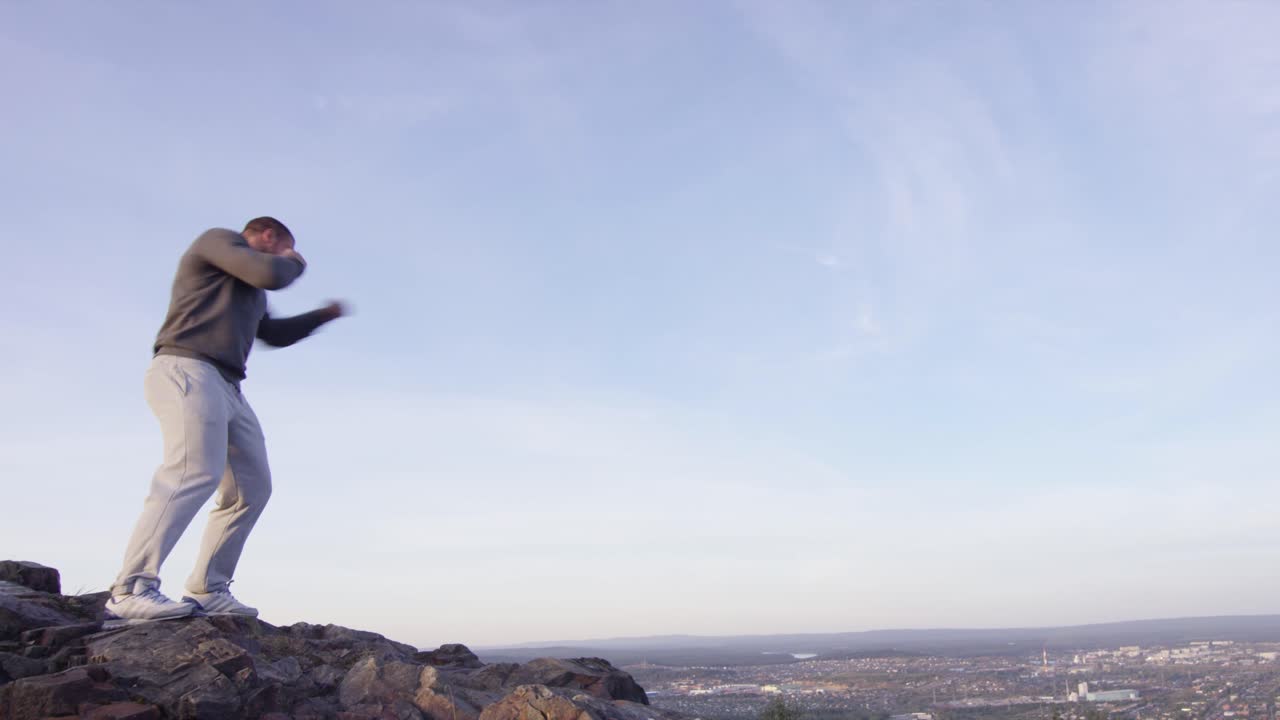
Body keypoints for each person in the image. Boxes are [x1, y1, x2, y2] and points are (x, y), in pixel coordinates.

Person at [106, 217, 345, 620]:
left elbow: (274, 334)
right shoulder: (218, 242)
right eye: (284, 246)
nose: (286, 255)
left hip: (229, 385)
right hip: (186, 367)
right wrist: (295, 260)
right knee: (191, 472)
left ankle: (208, 588)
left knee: (252, 488)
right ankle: (130, 588)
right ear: (268, 237)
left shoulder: (250, 288)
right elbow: (271, 272)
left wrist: (323, 316)